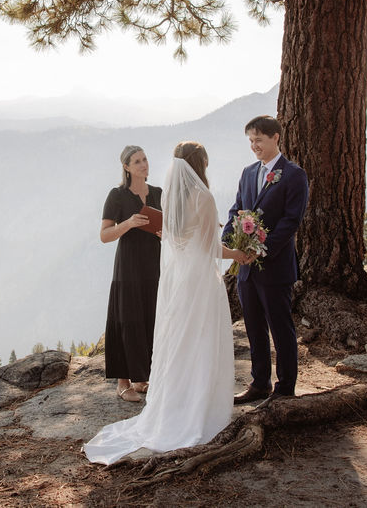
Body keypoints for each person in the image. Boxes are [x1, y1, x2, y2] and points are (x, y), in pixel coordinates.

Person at [84, 141, 253, 465]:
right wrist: (238, 254)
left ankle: (176, 403)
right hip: (196, 279)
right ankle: (199, 408)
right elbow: (210, 249)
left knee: (180, 340)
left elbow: (174, 236)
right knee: (200, 340)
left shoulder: (171, 195)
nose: (144, 164)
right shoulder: (201, 196)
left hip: (177, 279)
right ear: (199, 164)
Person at [225, 115, 309, 406]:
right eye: (250, 140)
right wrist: (228, 241)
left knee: (280, 327)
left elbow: (290, 221)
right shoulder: (248, 173)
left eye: (259, 140)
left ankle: (285, 388)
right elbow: (237, 210)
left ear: (275, 138)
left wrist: (261, 249)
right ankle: (259, 384)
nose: (254, 146)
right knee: (253, 327)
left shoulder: (294, 175)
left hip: (275, 266)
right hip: (246, 269)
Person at [99, 145, 162, 402]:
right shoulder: (117, 195)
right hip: (128, 264)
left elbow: (166, 225)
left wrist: (163, 232)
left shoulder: (158, 192)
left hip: (155, 262)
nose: (143, 164)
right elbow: (104, 235)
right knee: (127, 317)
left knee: (151, 315)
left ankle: (143, 378)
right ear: (126, 167)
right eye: (137, 161)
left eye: (145, 159)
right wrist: (128, 223)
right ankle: (122, 382)